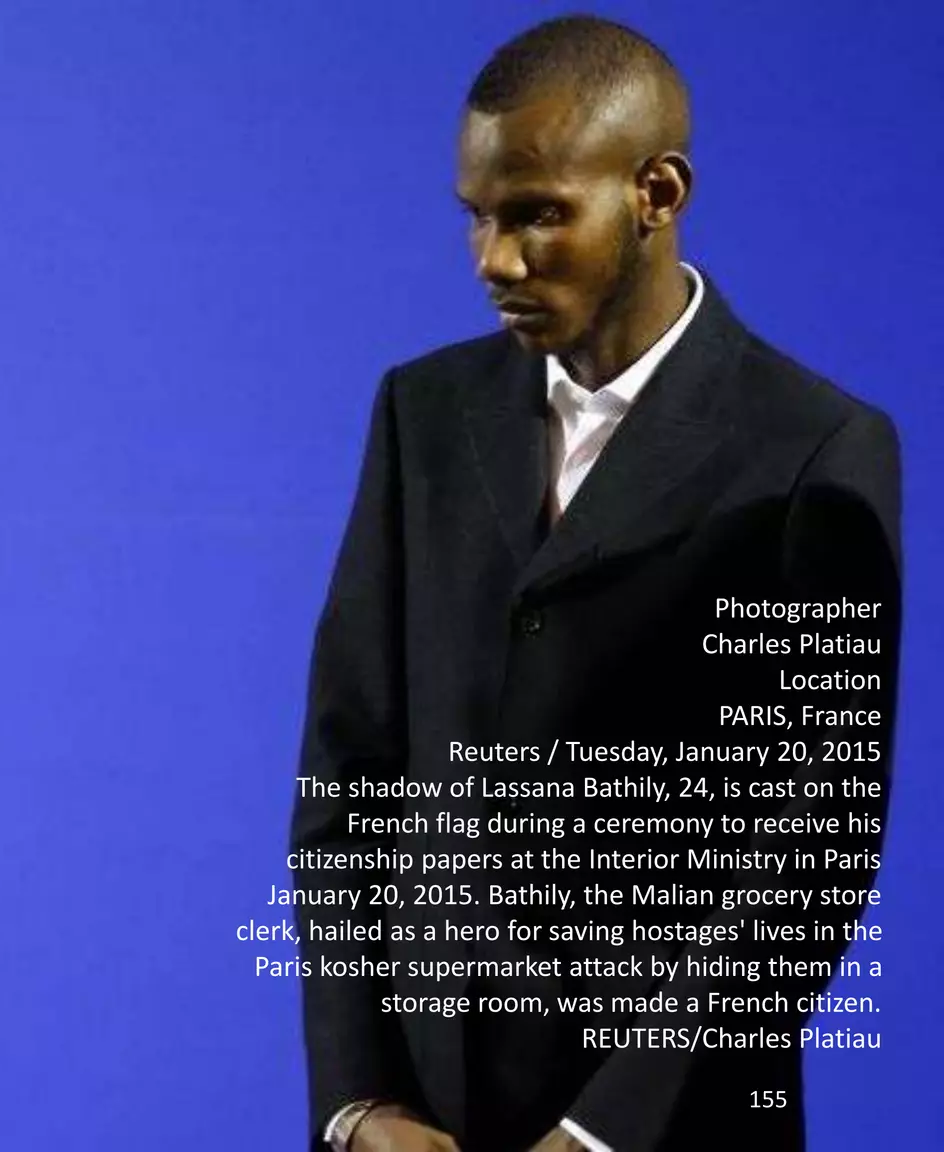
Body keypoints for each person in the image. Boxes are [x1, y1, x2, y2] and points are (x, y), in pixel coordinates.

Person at [290, 15, 900, 1152]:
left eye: (536, 214)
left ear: (655, 193)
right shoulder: (421, 412)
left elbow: (807, 842)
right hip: (420, 1121)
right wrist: (359, 1101)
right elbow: (347, 773)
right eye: (476, 216)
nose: (493, 261)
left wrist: (600, 1134)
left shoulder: (816, 452)